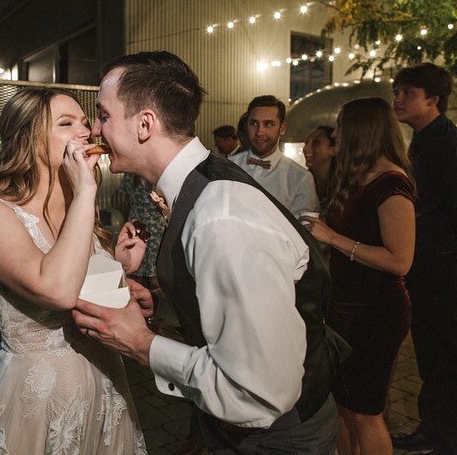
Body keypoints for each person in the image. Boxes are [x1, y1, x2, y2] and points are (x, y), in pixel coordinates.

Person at [72, 50, 344, 454]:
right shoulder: (203, 186)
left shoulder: (221, 218)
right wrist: (169, 297)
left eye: (103, 115)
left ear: (145, 124)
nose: (94, 129)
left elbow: (258, 393)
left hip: (276, 438)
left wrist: (141, 343)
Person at [0, 88, 148, 454]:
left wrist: (121, 268)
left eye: (85, 122)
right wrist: (87, 192)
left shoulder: (82, 211)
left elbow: (86, 295)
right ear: (27, 139)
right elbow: (57, 290)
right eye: (66, 123)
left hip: (103, 390)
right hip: (38, 403)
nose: (86, 132)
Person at [302, 98, 415, 455]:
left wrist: (333, 238)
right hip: (343, 309)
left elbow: (400, 261)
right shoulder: (357, 178)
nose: (335, 133)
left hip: (375, 313)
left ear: (362, 132)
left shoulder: (392, 184)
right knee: (343, 407)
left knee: (366, 413)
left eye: (341, 127)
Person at [391, 63, 457, 455]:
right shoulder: (422, 139)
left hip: (444, 271)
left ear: (433, 100)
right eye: (397, 91)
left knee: (444, 357)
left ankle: (447, 439)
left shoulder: (447, 144)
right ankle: (433, 430)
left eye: (408, 93)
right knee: (430, 355)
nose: (398, 99)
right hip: (429, 267)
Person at [229, 96, 320, 218]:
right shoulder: (227, 166)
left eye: (268, 124)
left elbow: (305, 231)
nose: (259, 132)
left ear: (282, 129)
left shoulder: (301, 178)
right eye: (254, 123)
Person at [303, 125, 337, 209]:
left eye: (316, 143)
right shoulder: (302, 182)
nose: (306, 148)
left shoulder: (344, 186)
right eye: (306, 143)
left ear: (333, 150)